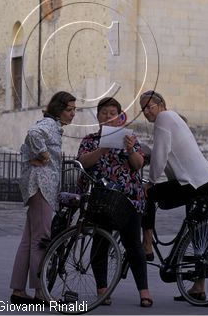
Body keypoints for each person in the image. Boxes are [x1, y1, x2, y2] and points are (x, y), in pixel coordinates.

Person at [140, 90, 208, 301]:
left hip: (194, 183)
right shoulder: (172, 118)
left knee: (149, 195)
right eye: (143, 109)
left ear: (161, 104)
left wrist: (151, 182)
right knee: (197, 230)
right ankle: (199, 287)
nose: (146, 112)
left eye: (149, 106)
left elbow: (161, 154)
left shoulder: (164, 118)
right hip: (204, 180)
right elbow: (167, 155)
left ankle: (146, 245)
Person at [77, 97, 153, 308]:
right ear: (98, 116)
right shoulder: (90, 140)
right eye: (104, 113)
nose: (109, 116)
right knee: (100, 243)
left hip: (129, 198)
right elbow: (83, 162)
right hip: (103, 198)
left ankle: (144, 292)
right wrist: (102, 148)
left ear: (120, 117)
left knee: (133, 245)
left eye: (113, 113)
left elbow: (138, 165)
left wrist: (130, 150)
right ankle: (103, 290)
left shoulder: (130, 138)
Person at [10, 91, 76, 304]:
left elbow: (27, 145)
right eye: (69, 109)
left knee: (29, 240)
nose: (73, 114)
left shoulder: (53, 126)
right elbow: (33, 134)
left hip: (36, 185)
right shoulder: (49, 125)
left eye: (74, 109)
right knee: (41, 240)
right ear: (58, 110)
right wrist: (44, 155)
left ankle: (18, 290)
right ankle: (40, 292)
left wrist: (36, 156)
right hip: (42, 186)